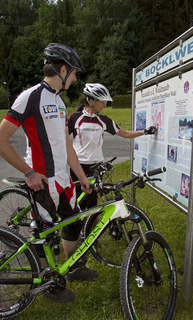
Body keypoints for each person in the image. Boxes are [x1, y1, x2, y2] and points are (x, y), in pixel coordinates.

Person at [0, 43, 98, 303]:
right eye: (74, 73)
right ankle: (47, 284)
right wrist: (29, 172)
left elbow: (66, 144)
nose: (76, 78)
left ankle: (73, 267)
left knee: (72, 222)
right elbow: (1, 138)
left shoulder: (60, 101)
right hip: (42, 181)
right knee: (44, 234)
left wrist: (83, 177)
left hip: (64, 179)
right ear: (62, 69)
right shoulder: (30, 96)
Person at [68, 83, 157, 206]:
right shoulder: (75, 118)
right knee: (77, 201)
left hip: (96, 167)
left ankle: (90, 225)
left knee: (92, 202)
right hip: (78, 166)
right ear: (91, 100)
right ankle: (76, 225)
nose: (105, 105)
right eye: (102, 101)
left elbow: (125, 134)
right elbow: (62, 139)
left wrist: (145, 131)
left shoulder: (104, 120)